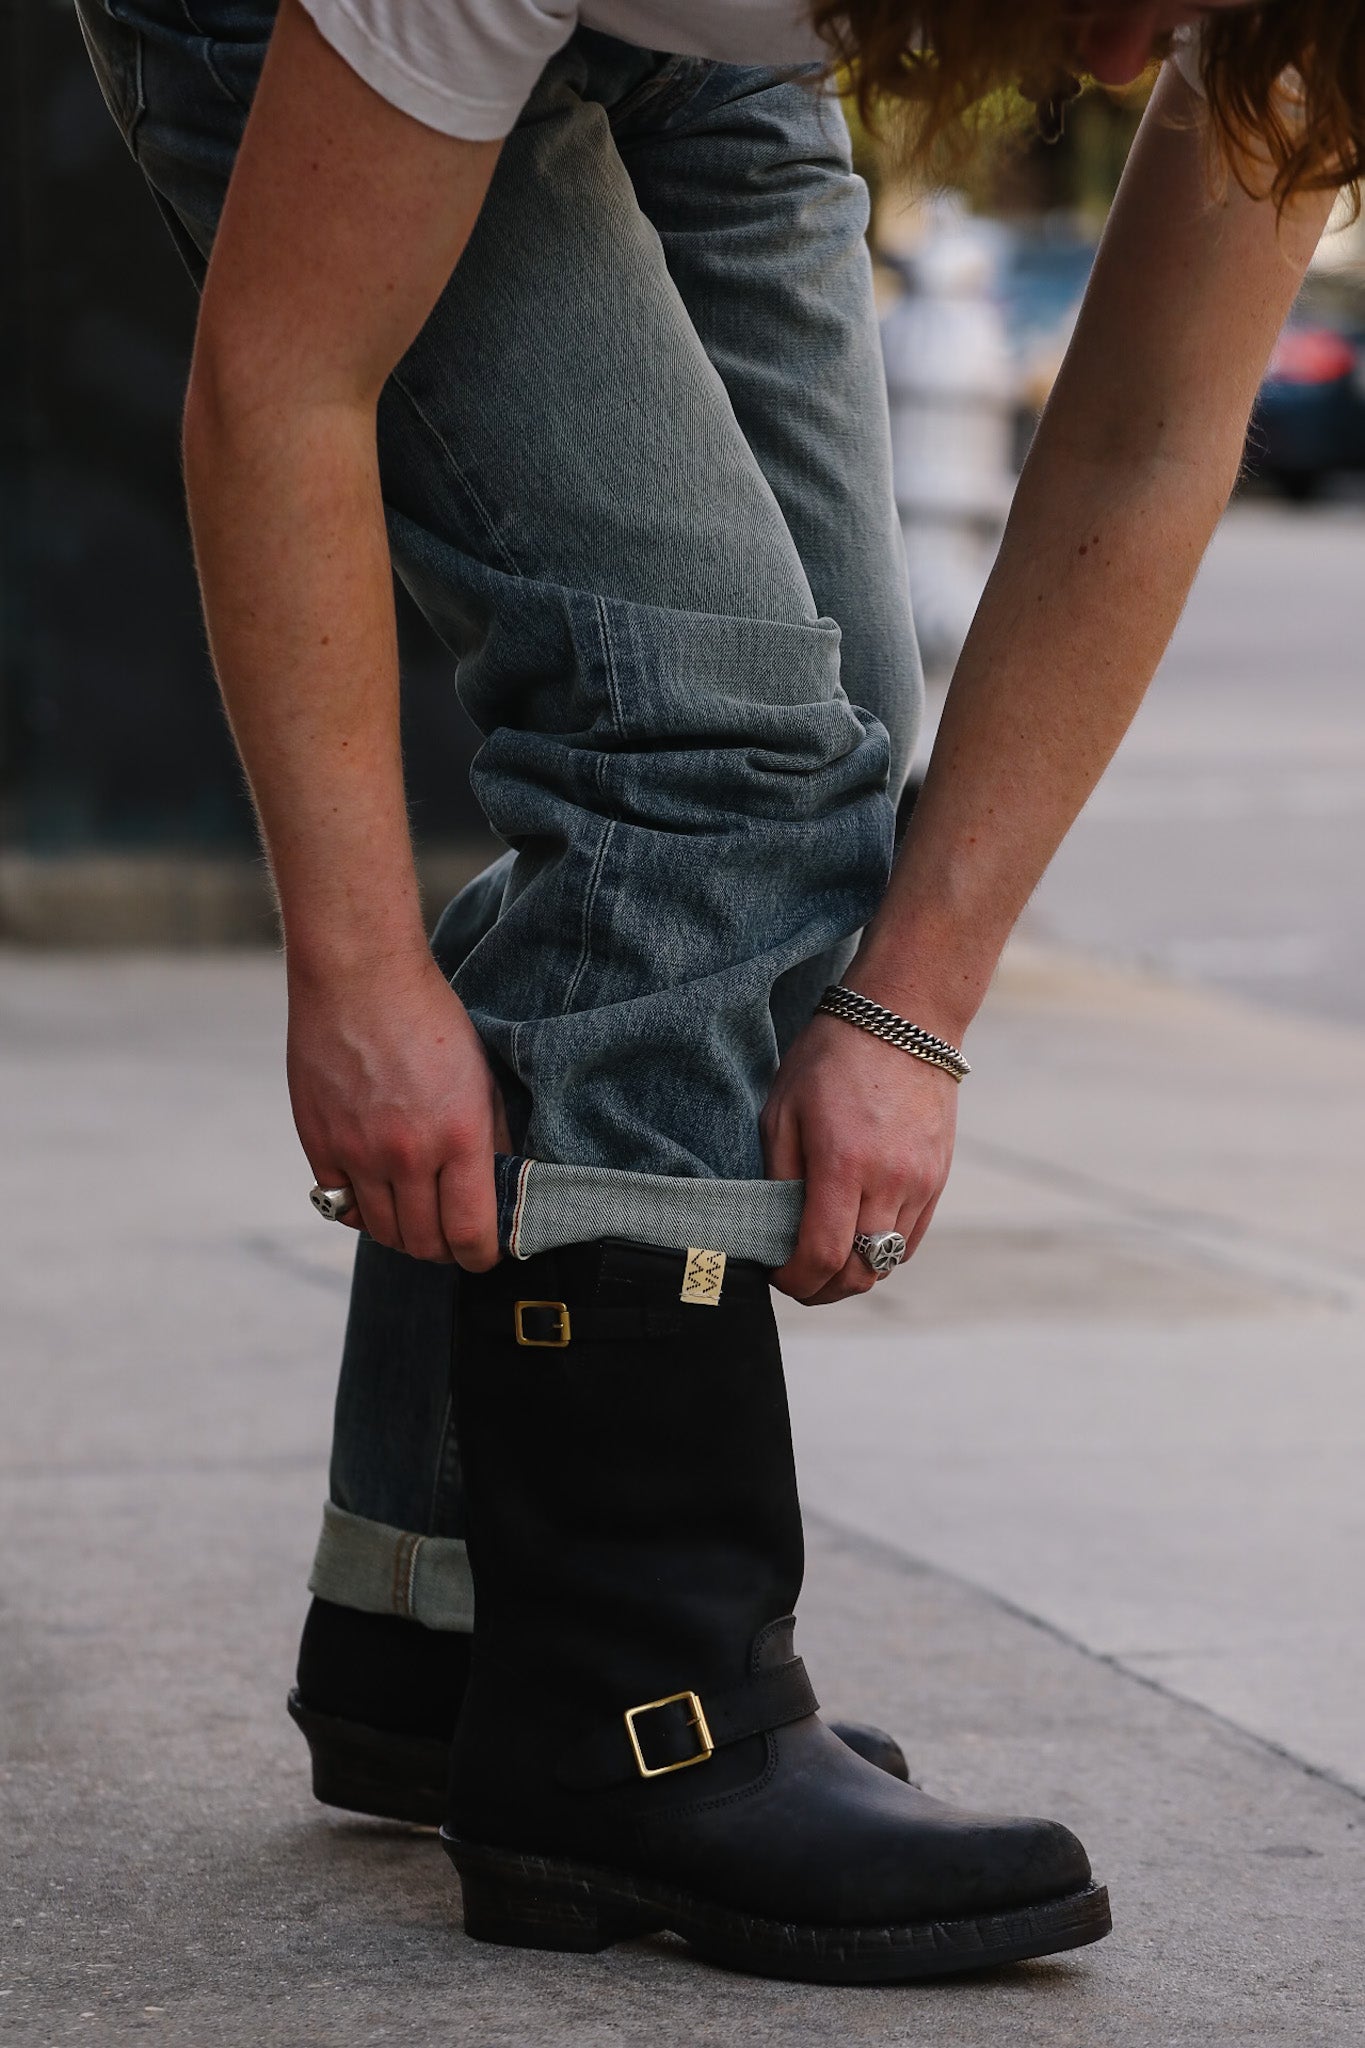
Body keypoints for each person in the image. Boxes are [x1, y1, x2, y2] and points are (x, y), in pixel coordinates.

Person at [76, 0, 1358, 1985]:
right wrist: (354, 966)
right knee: (707, 752)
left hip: (724, 45)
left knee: (817, 764)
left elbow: (1142, 437)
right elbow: (283, 377)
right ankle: (633, 1717)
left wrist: (908, 1008)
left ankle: (443, 1623)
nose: (1130, 72)